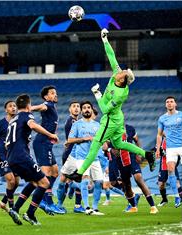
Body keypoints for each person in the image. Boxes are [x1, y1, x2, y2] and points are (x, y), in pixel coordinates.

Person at [66, 29, 156, 183]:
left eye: (124, 73)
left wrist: (97, 93)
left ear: (123, 80)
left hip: (111, 119)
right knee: (120, 143)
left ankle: (79, 173)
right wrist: (105, 40)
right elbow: (111, 55)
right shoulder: (116, 73)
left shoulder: (121, 93)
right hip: (117, 117)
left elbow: (105, 109)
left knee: (96, 143)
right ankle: (148, 154)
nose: (121, 70)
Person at [6, 94, 59, 226]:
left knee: (35, 183)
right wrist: (50, 134)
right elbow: (33, 126)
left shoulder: (13, 119)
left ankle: (15, 209)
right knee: (45, 183)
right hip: (21, 156)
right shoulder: (26, 115)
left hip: (11, 158)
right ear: (28, 105)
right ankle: (30, 214)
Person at [31, 86, 65, 214]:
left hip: (47, 143)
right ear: (46, 96)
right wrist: (29, 109)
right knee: (46, 175)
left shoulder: (52, 106)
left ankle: (43, 199)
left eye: (55, 93)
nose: (55, 95)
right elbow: (41, 107)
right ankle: (47, 202)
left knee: (55, 172)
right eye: (52, 93)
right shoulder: (48, 104)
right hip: (41, 143)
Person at [67, 101, 105, 215]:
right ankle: (87, 207)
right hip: (82, 157)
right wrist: (85, 139)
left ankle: (95, 208)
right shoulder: (77, 124)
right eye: (84, 108)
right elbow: (70, 140)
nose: (87, 109)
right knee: (85, 178)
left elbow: (102, 140)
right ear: (82, 111)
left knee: (99, 182)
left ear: (92, 110)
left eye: (89, 107)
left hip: (95, 157)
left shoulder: (98, 125)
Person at [116, 124, 158, 214]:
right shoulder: (112, 130)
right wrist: (112, 151)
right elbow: (108, 146)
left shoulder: (130, 128)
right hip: (121, 160)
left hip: (132, 157)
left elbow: (137, 140)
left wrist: (138, 153)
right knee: (127, 185)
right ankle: (133, 207)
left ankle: (153, 206)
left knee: (138, 178)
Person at [57, 101, 85, 213]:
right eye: (74, 106)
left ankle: (63, 204)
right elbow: (74, 139)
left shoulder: (77, 121)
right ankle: (69, 204)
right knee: (69, 178)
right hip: (72, 154)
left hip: (72, 152)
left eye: (78, 106)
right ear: (69, 109)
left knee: (69, 179)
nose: (76, 108)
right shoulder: (72, 121)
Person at [0, 100, 20, 212]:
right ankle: (13, 208)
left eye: (14, 106)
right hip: (3, 156)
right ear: (6, 109)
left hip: (15, 155)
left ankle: (3, 202)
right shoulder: (0, 124)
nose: (13, 108)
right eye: (10, 106)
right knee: (11, 181)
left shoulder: (18, 123)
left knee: (16, 183)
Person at [157, 137, 182, 207]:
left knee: (176, 181)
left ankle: (181, 199)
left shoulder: (174, 139)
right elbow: (157, 148)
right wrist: (158, 150)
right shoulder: (161, 139)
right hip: (163, 165)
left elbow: (177, 154)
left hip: (172, 163)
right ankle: (164, 199)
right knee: (161, 184)